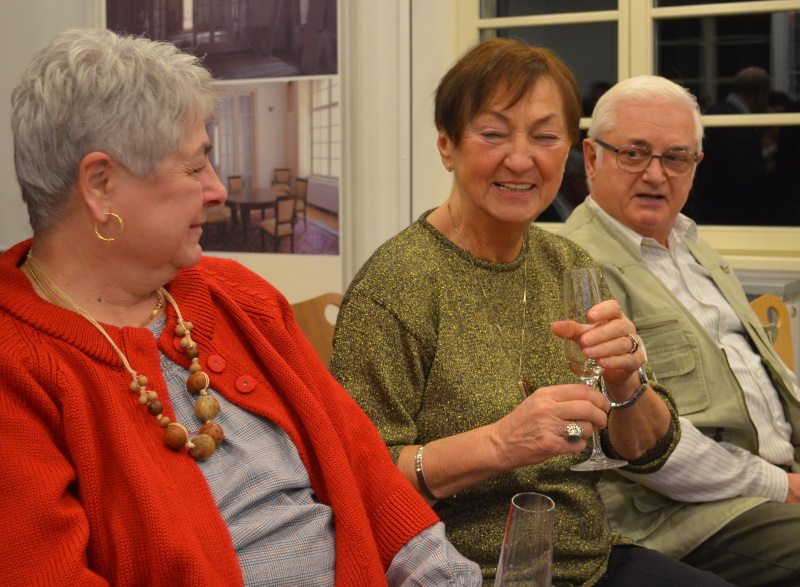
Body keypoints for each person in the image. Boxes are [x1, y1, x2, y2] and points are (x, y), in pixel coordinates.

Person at [0, 28, 482, 586]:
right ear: (100, 184)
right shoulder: (17, 363)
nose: (217, 189)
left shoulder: (236, 294)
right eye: (194, 167)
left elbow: (368, 476)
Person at [330, 38, 734, 587]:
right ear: (447, 146)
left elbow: (644, 450)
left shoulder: (566, 262)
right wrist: (500, 443)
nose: (520, 160)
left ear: (568, 151)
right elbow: (356, 481)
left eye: (545, 137)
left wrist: (626, 382)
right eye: (493, 134)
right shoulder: (396, 284)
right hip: (464, 568)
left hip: (589, 560)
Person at [559, 74, 800, 586]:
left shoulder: (691, 245)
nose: (656, 174)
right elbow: (639, 448)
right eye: (634, 154)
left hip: (771, 482)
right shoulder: (576, 267)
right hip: (684, 517)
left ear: (695, 166)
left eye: (675, 157)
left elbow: (765, 376)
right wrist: (782, 486)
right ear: (592, 158)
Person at [690, 66, 771, 225]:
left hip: (708, 206)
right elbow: (743, 173)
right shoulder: (737, 122)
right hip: (732, 213)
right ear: (761, 93)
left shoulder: (715, 111)